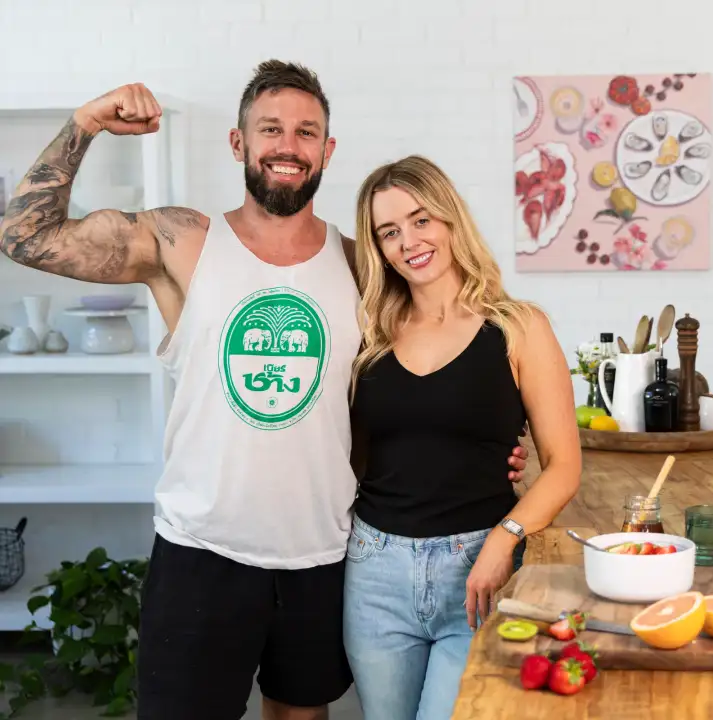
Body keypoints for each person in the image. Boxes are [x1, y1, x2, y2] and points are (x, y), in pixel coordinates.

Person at [0, 61, 529, 720]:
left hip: (323, 552)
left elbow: (434, 378)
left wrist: (509, 452)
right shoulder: (182, 242)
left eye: (306, 132)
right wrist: (85, 124)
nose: (288, 145)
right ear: (238, 143)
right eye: (270, 128)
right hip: (201, 553)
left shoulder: (362, 265)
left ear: (327, 151)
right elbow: (25, 235)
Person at [343, 155, 582, 720]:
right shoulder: (367, 334)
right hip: (375, 572)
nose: (410, 241)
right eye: (389, 232)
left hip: (478, 570)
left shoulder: (519, 327)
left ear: (450, 219)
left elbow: (565, 464)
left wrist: (505, 538)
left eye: (421, 220)